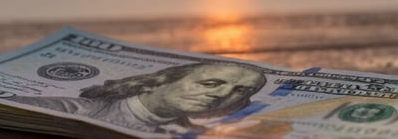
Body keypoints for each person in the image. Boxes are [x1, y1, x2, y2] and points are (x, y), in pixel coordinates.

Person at [13, 62, 267, 134]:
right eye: (211, 83)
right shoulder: (70, 110)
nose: (222, 95)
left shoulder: (194, 131)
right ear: (163, 80)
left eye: (241, 91)